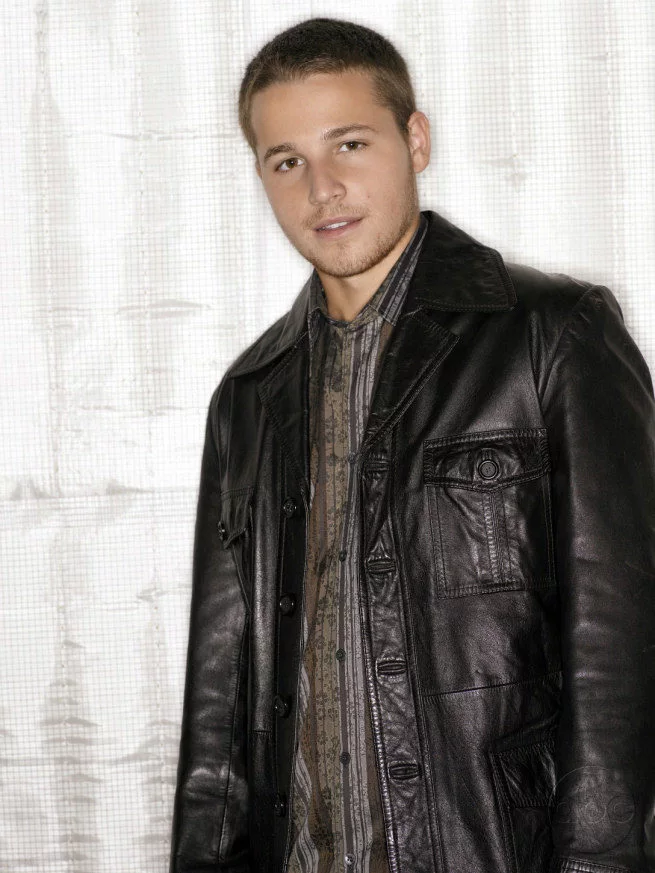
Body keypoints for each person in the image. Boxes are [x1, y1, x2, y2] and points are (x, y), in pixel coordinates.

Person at [169, 17, 655, 873]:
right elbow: (220, 701)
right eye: (287, 162)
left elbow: (621, 649)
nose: (323, 188)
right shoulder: (248, 398)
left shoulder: (551, 335)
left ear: (414, 140)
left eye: (349, 144)